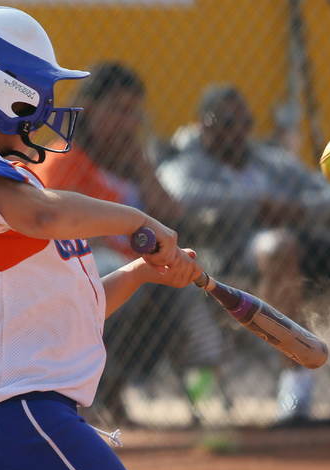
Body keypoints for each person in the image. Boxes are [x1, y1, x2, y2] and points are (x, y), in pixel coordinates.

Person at [0, 7, 204, 470]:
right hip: (15, 422)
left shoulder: (0, 182)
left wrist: (138, 272)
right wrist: (136, 219)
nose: (47, 104)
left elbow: (62, 308)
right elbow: (42, 218)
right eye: (38, 88)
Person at [157, 84, 330, 428]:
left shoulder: (270, 160)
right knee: (278, 245)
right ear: (203, 125)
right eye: (225, 121)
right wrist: (259, 207)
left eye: (243, 121)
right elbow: (179, 194)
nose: (237, 130)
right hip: (241, 262)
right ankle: (295, 397)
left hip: (314, 247)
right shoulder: (187, 164)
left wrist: (298, 210)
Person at [35, 62, 226, 425]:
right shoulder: (63, 161)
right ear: (89, 111)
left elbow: (172, 216)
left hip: (134, 276)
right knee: (113, 270)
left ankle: (139, 390)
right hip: (75, 281)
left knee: (181, 285)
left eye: (133, 113)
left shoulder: (133, 163)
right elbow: (61, 242)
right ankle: (84, 396)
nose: (129, 123)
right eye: (118, 111)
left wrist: (140, 167)